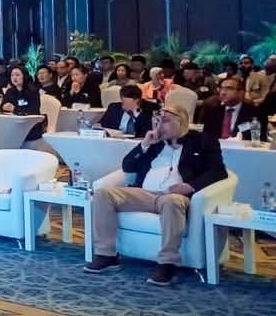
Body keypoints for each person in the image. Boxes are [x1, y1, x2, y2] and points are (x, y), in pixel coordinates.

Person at [84, 105, 226, 286]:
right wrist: (144, 145)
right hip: (143, 194)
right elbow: (128, 166)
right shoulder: (154, 142)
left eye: (165, 121)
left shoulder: (203, 141)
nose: (159, 126)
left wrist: (190, 186)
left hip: (173, 196)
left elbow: (218, 171)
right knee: (103, 194)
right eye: (157, 121)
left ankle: (167, 263)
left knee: (171, 201)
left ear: (182, 122)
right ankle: (106, 255)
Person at [200, 76, 268, 142]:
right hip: (216, 148)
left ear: (241, 92)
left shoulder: (256, 113)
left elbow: (259, 140)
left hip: (242, 148)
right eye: (221, 89)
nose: (223, 92)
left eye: (229, 89)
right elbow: (206, 138)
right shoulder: (213, 112)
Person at [1, 65, 45, 142]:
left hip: (30, 126)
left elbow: (33, 110)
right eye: (12, 75)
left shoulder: (33, 91)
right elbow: (2, 107)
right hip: (14, 124)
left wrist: (14, 109)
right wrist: (4, 106)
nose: (14, 78)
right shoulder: (10, 91)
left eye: (17, 75)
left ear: (24, 76)